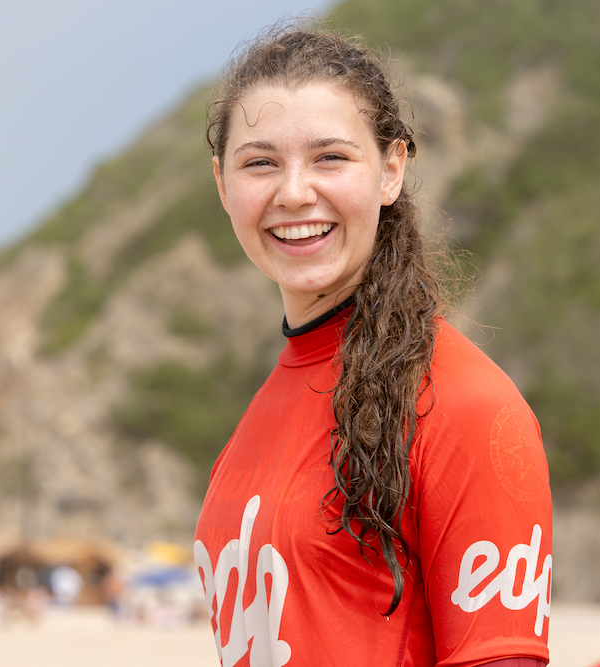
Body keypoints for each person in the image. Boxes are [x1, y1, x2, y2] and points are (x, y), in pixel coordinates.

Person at [192, 22, 552, 667]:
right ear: (222, 185)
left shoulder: (468, 407)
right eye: (260, 163)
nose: (294, 192)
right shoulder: (263, 409)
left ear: (391, 170)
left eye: (330, 157)